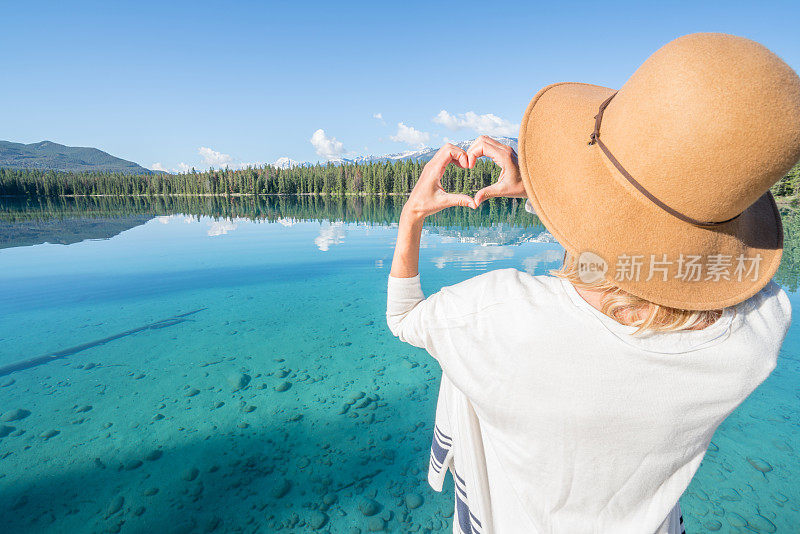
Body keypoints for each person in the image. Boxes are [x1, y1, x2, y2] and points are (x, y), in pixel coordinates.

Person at [386, 33, 800, 533]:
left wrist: (412, 214)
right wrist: (553, 199)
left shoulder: (498, 314)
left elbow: (404, 317)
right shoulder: (758, 332)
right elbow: (659, 268)